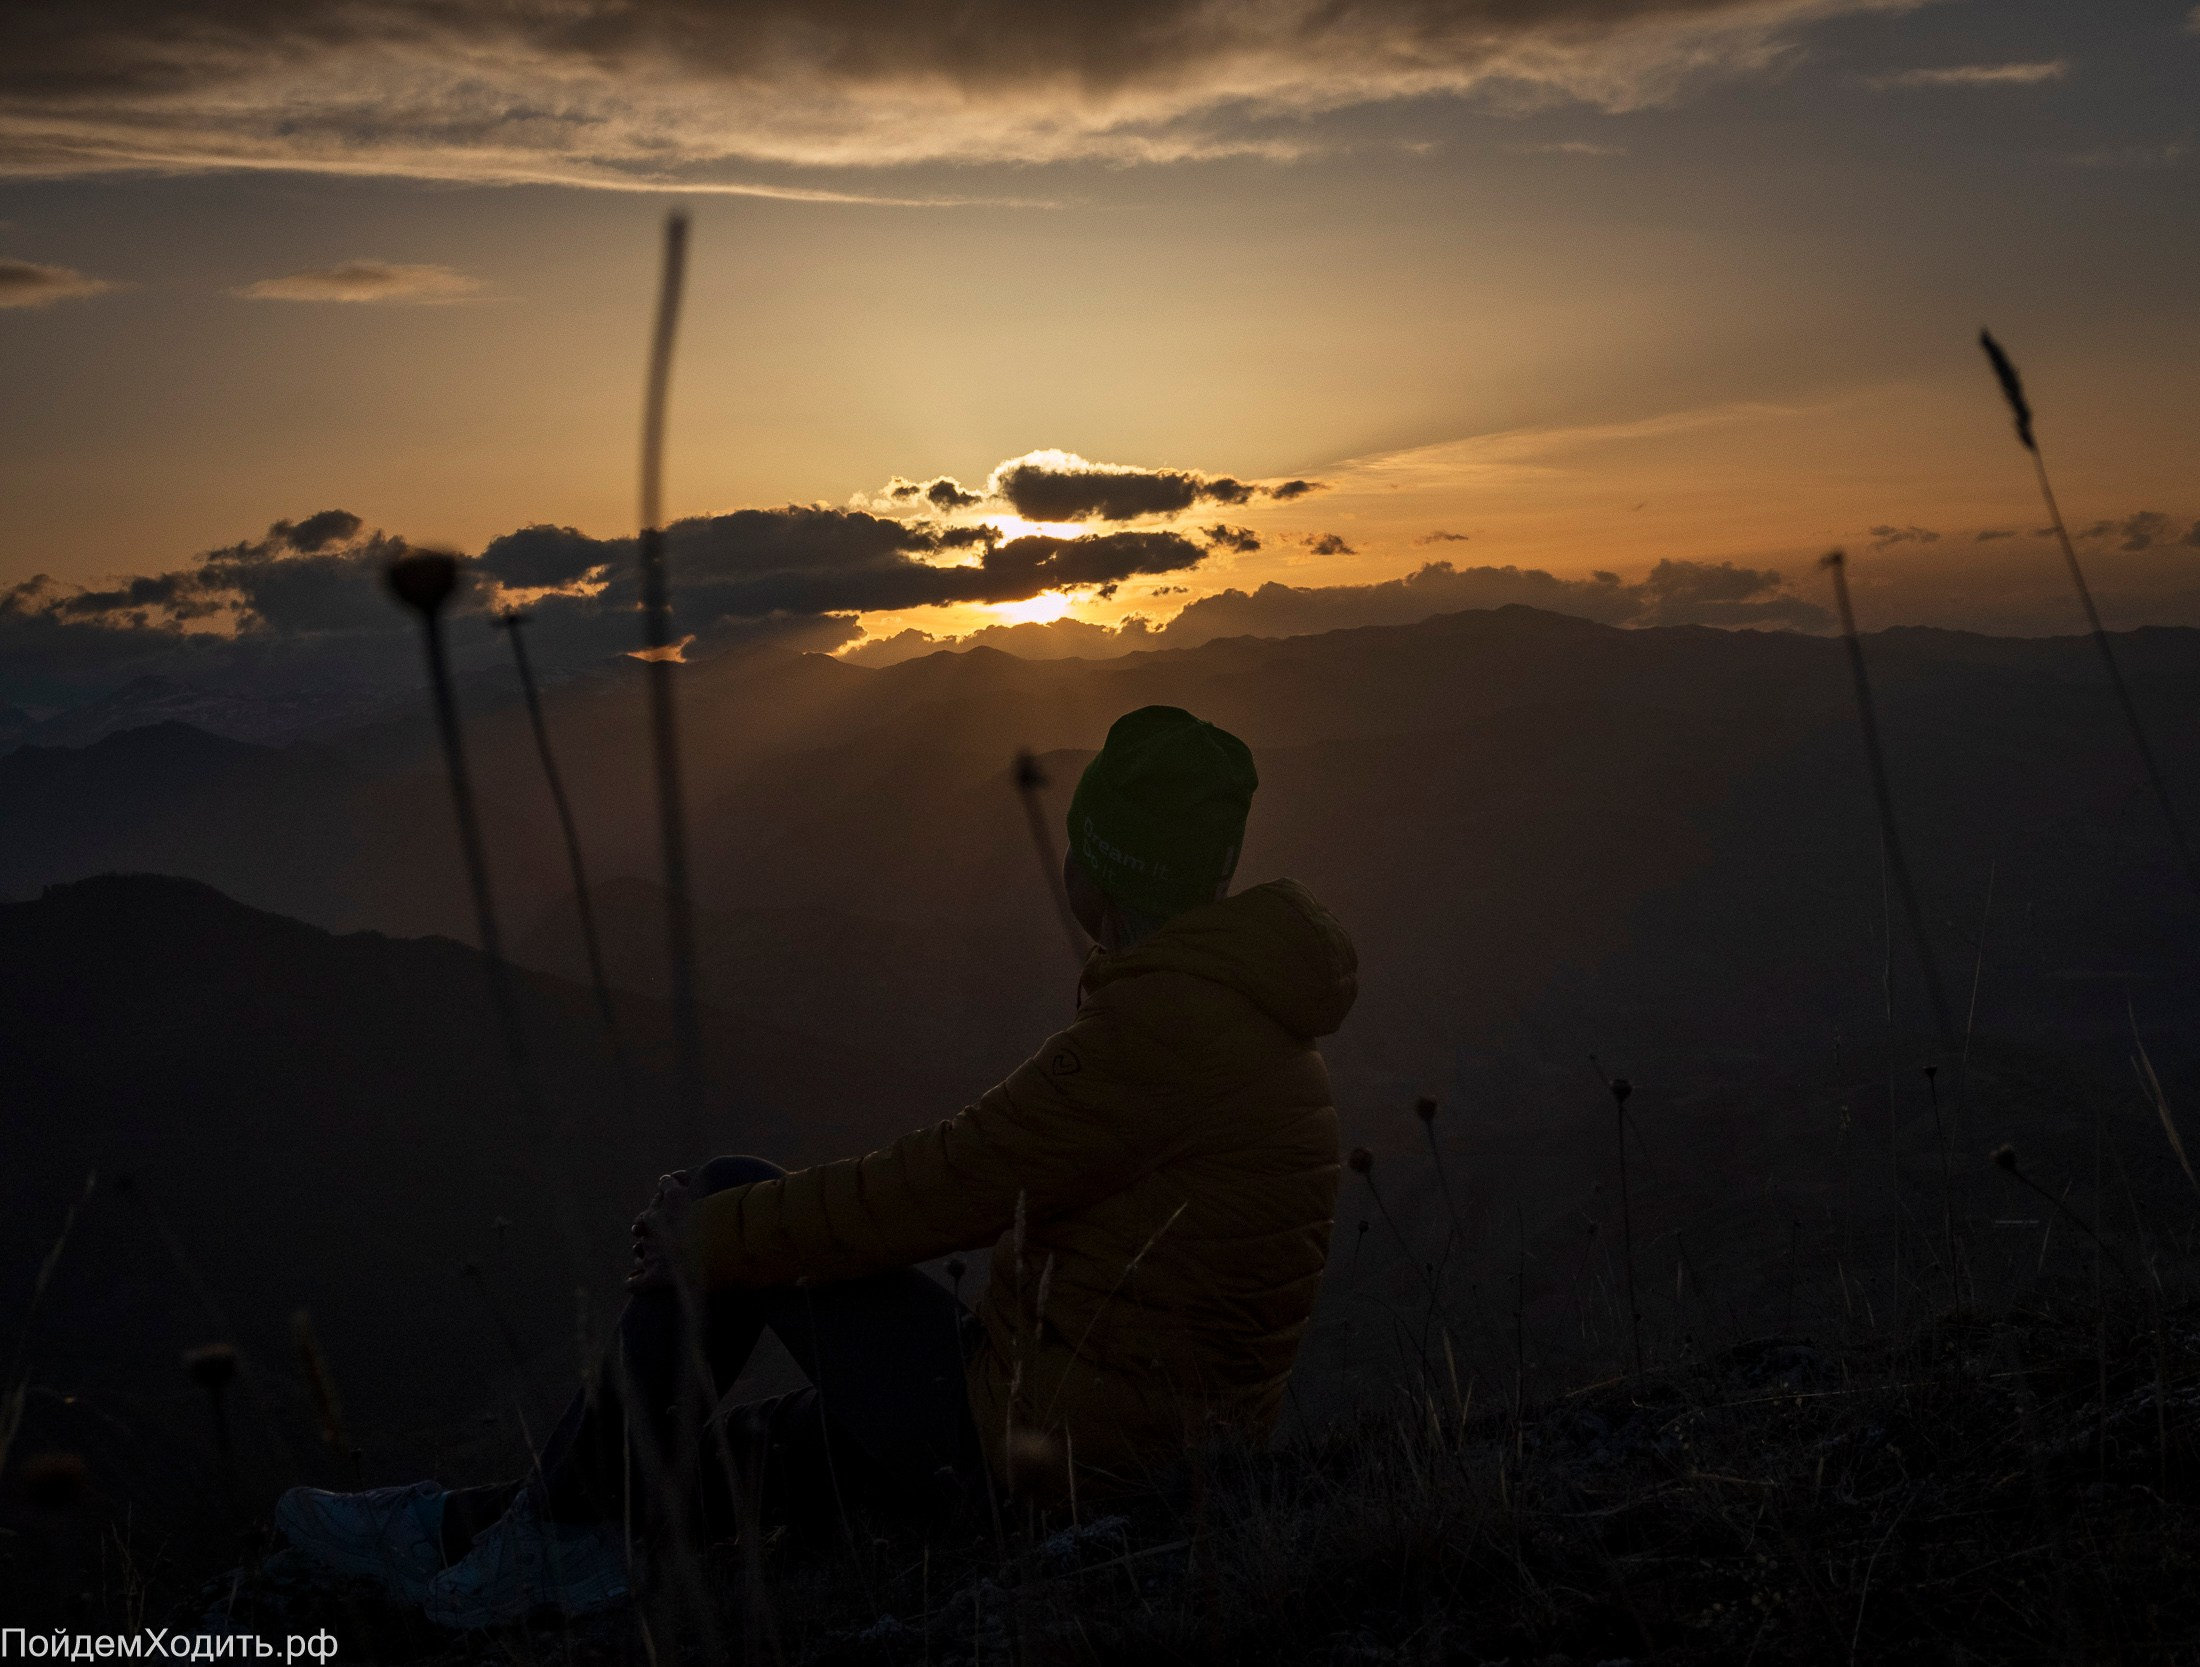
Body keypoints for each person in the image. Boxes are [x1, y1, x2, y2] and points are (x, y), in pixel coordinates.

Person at [275, 704, 1357, 1627]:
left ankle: (539, 1537)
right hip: (1103, 1434)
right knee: (765, 1454)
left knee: (734, 1188)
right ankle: (465, 1525)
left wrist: (714, 1235)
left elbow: (941, 1186)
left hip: (1053, 1462)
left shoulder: (1158, 1033)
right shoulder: (1253, 1022)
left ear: (1102, 868)